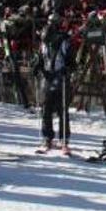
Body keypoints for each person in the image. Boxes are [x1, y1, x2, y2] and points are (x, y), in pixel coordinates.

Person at [38, 14, 75, 154]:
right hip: (47, 76)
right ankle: (47, 137)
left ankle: (64, 139)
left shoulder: (65, 40)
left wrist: (67, 69)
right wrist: (38, 66)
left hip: (61, 77)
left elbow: (72, 62)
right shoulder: (44, 41)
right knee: (46, 108)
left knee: (62, 109)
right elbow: (41, 58)